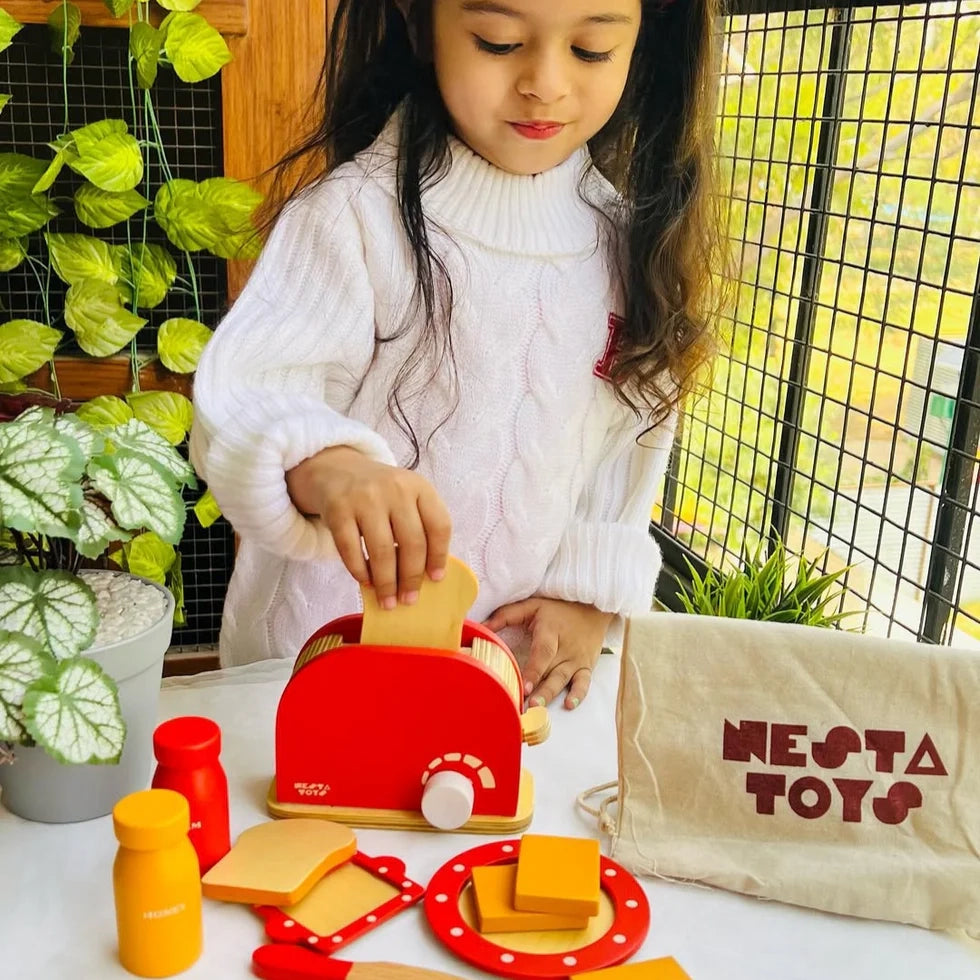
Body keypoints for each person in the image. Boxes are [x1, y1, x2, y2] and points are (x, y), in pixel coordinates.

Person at [190, 0, 722, 709]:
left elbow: (626, 444)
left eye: (591, 51)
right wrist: (333, 469)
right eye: (498, 42)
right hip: (318, 662)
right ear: (419, 24)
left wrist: (588, 597)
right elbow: (247, 395)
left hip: (511, 672)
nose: (545, 82)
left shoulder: (629, 244)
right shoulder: (355, 217)